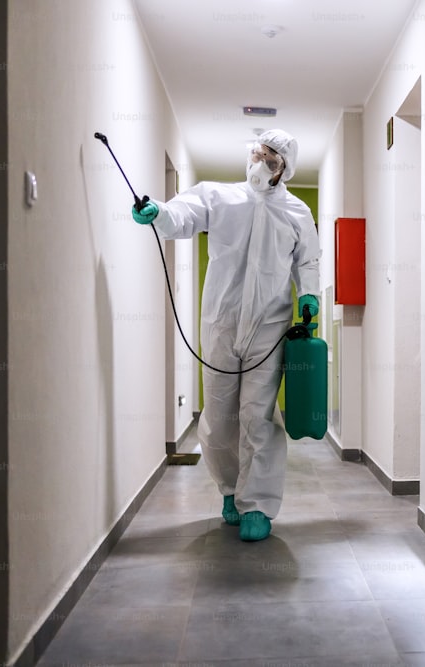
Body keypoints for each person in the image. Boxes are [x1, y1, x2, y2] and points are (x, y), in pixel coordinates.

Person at [131, 129, 320, 541]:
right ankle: (231, 491)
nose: (261, 163)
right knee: (218, 418)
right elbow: (183, 215)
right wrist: (158, 213)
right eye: (258, 153)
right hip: (220, 321)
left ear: (283, 170)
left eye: (271, 160)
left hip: (269, 327)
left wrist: (309, 296)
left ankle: (258, 506)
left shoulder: (296, 212)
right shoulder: (218, 196)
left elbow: (308, 261)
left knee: (257, 417)